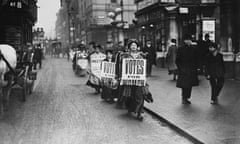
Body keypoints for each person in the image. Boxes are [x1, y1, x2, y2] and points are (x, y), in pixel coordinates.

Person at [116, 39, 148, 120]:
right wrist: (120, 76)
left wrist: (144, 77)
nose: (133, 47)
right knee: (129, 95)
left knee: (140, 95)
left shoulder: (141, 56)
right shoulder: (125, 56)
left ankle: (139, 112)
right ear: (129, 47)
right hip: (128, 80)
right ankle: (131, 109)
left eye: (135, 45)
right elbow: (122, 67)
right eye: (132, 45)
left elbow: (143, 68)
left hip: (139, 80)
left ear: (137, 47)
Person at [176, 35, 199, 104]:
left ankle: (187, 97)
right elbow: (177, 60)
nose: (189, 41)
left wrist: (196, 67)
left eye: (190, 40)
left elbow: (196, 59)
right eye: (187, 40)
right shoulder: (180, 49)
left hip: (191, 69)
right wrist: (180, 68)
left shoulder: (193, 49)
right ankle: (184, 97)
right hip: (183, 69)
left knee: (190, 85)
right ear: (184, 41)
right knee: (184, 85)